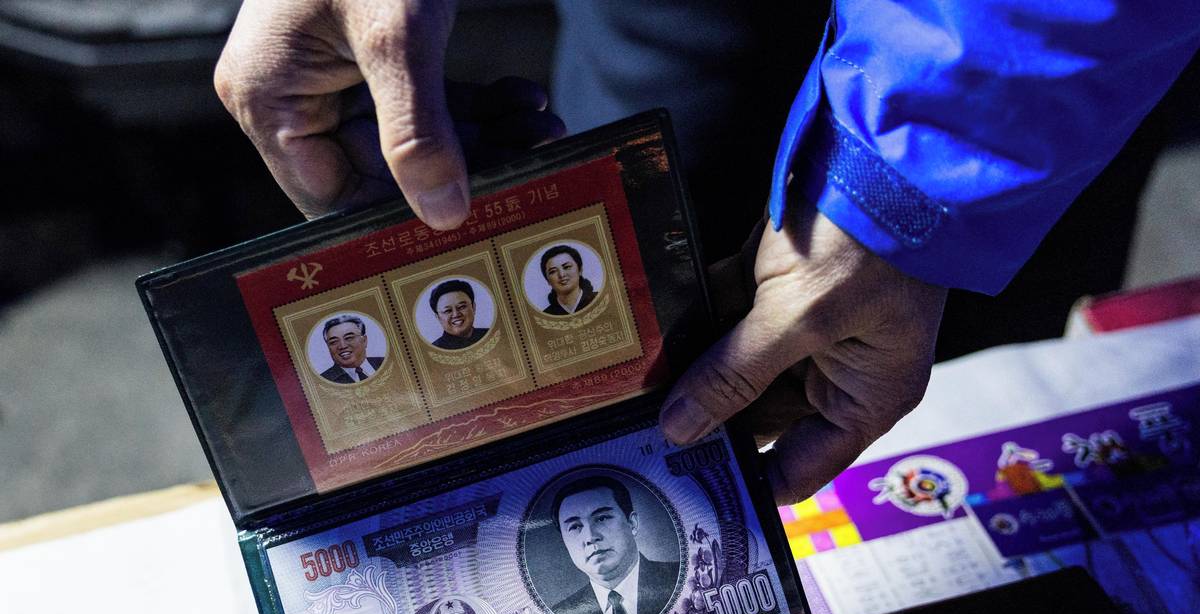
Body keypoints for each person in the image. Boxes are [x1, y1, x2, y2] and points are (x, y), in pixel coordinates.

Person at [214, 0, 1200, 504]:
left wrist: (910, 185)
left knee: (949, 409)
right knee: (636, 334)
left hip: (1021, 41)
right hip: (695, 30)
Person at [548, 475, 679, 614]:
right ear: (565, 542)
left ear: (632, 523)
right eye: (575, 527)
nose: (590, 537)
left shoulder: (679, 579)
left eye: (602, 518)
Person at [319, 314, 383, 384]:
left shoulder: (384, 363)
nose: (342, 346)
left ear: (364, 340)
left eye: (349, 338)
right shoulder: (322, 381)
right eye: (334, 342)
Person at [428, 279, 488, 349]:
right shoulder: (434, 350)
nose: (456, 314)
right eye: (448, 311)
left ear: (473, 307)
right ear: (438, 317)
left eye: (461, 307)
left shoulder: (491, 334)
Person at [538, 244, 596, 315]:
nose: (561, 275)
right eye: (553, 271)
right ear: (547, 280)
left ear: (580, 270)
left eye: (567, 267)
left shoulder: (599, 299)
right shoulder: (546, 315)